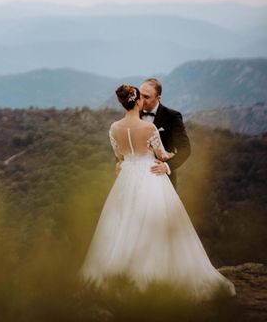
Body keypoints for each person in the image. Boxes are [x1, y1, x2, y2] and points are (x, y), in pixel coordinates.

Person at [79, 84, 235, 300]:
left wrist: (128, 163)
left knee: (123, 225)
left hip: (126, 178)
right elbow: (161, 154)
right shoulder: (149, 128)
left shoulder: (114, 127)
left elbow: (120, 155)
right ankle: (155, 279)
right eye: (141, 96)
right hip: (151, 176)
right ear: (137, 101)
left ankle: (121, 277)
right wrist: (168, 157)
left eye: (147, 95)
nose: (144, 99)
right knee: (153, 223)